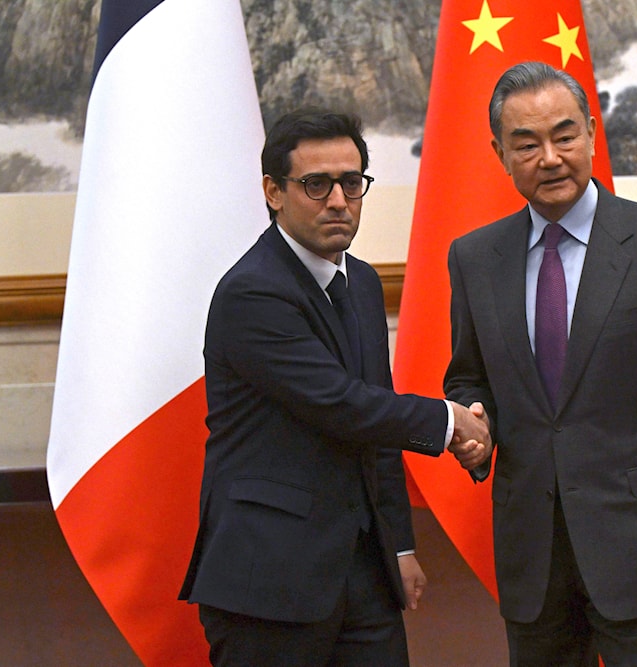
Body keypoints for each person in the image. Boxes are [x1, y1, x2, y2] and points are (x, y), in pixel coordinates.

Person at [444, 61, 637, 666]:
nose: (550, 157)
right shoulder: (474, 257)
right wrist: (475, 421)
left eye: (564, 136)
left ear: (592, 134)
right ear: (500, 153)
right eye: (527, 144)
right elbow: (469, 374)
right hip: (532, 550)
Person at [179, 108, 491, 666]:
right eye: (316, 185)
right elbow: (342, 406)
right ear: (274, 192)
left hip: (363, 571)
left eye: (351, 183)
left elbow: (378, 428)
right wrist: (451, 423)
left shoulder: (363, 281)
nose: (339, 201)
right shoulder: (252, 292)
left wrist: (398, 543)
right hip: (269, 579)